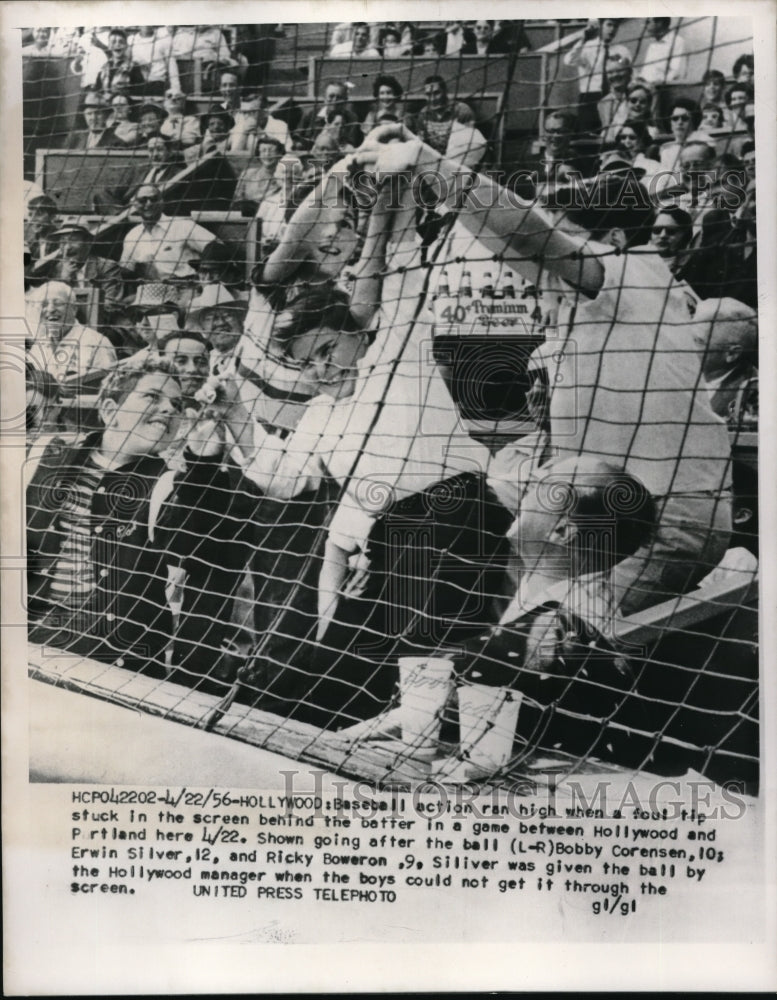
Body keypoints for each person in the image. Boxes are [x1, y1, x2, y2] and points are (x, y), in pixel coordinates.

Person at [345, 123, 733, 620]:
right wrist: (436, 176)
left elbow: (528, 234)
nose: (542, 264)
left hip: (666, 518)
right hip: (599, 509)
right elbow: (512, 241)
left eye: (567, 236)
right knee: (440, 521)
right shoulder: (594, 288)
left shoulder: (636, 268)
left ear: (613, 237)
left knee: (543, 638)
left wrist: (428, 160)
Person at [26, 359, 235, 685]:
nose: (168, 409)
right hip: (33, 641)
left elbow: (197, 546)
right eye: (152, 397)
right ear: (110, 409)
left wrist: (203, 461)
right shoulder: (48, 455)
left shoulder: (166, 481)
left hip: (111, 663)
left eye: (176, 404)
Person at [25, 223, 125, 319]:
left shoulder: (106, 266)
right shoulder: (56, 269)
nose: (67, 248)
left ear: (88, 243)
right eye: (63, 242)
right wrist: (64, 280)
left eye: (73, 241)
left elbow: (111, 305)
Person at [120, 184, 216, 281]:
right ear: (134, 204)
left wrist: (205, 276)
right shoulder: (132, 236)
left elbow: (216, 246)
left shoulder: (183, 226)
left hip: (187, 286)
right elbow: (126, 270)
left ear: (162, 202)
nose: (148, 204)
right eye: (142, 201)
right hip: (153, 291)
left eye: (154, 199)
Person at [26, 281, 117, 383]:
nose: (51, 309)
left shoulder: (97, 343)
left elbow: (108, 390)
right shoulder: (38, 346)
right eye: (44, 304)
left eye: (58, 303)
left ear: (74, 309)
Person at [692, 298, 758, 421]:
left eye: (698, 341)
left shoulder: (752, 398)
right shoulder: (669, 369)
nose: (684, 343)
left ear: (731, 354)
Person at [563, 18, 631, 131]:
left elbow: (629, 73)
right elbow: (569, 60)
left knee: (612, 132)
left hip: (613, 97)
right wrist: (583, 39)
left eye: (615, 26)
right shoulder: (587, 47)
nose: (612, 29)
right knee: (588, 134)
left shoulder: (622, 50)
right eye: (609, 25)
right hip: (590, 98)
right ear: (600, 25)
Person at [293, 81, 363, 151]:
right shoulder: (311, 115)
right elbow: (297, 138)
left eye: (339, 97)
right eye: (331, 96)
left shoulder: (352, 118)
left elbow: (350, 144)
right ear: (325, 99)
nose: (335, 100)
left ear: (345, 101)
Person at [414, 75, 475, 155]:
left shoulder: (462, 110)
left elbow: (470, 144)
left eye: (436, 93)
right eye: (428, 94)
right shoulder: (424, 113)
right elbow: (422, 144)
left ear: (445, 91)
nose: (432, 99)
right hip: (434, 159)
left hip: (459, 156)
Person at [232, 134, 284, 212]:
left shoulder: (283, 177)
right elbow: (236, 201)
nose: (267, 154)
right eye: (263, 151)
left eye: (272, 151)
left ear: (280, 154)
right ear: (258, 154)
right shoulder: (247, 174)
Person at [128, 26, 180, 97]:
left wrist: (176, 88)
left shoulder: (164, 39)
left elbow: (172, 65)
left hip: (157, 84)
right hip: (137, 84)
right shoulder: (131, 40)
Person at [93, 27, 146, 97]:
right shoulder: (104, 68)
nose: (117, 45)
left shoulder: (133, 67)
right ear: (109, 46)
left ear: (126, 46)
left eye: (121, 42)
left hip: (123, 104)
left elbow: (139, 91)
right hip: (104, 104)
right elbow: (97, 90)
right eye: (113, 42)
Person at [597, 53, 634, 144]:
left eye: (619, 70)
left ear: (629, 72)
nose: (615, 75)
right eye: (610, 72)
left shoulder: (639, 95)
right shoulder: (603, 103)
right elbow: (607, 131)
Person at [639, 17, 688, 83]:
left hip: (663, 89)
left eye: (648, 22)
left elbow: (677, 74)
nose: (644, 26)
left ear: (659, 23)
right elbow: (646, 73)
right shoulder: (653, 45)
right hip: (646, 87)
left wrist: (655, 83)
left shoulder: (677, 42)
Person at [659, 97, 700, 173]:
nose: (680, 122)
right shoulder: (666, 152)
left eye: (684, 118)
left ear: (694, 122)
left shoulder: (701, 148)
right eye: (675, 118)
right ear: (670, 124)